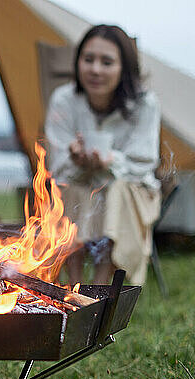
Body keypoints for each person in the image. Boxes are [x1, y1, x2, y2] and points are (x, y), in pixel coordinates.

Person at [45, 25, 161, 286]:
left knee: (115, 188)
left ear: (123, 68)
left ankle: (99, 287)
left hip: (131, 193)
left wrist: (110, 162)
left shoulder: (145, 104)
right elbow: (58, 166)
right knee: (69, 186)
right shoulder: (64, 99)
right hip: (79, 185)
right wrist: (77, 161)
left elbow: (142, 164)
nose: (95, 69)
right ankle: (72, 285)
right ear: (78, 63)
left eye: (106, 62)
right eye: (88, 60)